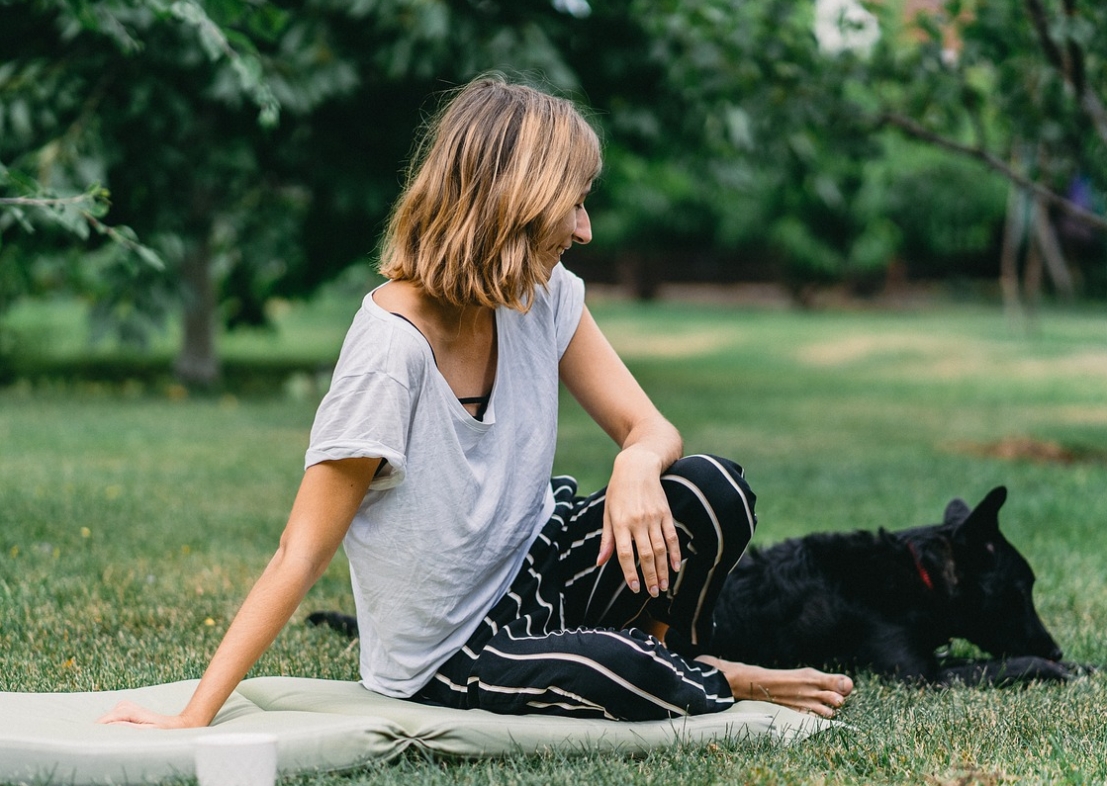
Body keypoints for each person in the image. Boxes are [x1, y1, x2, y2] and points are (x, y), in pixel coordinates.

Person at [98, 75, 852, 728]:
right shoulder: (390, 354)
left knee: (709, 489)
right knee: (626, 672)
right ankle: (703, 673)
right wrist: (193, 713)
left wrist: (634, 464)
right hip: (453, 650)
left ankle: (673, 656)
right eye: (574, 205)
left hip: (541, 563)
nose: (585, 230)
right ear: (515, 203)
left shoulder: (542, 295)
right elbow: (299, 551)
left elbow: (650, 427)